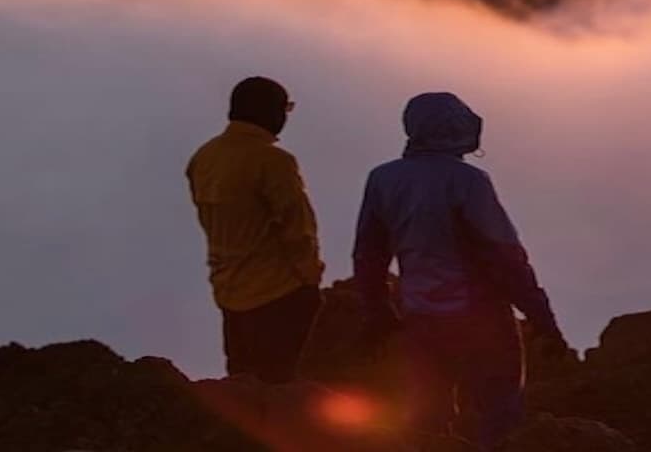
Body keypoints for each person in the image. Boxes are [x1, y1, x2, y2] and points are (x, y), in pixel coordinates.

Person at [352, 92, 566, 448]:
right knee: (500, 416)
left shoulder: (383, 179)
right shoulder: (469, 181)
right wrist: (543, 321)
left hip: (419, 317)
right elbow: (507, 257)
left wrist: (378, 314)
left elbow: (368, 255)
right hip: (481, 319)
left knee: (426, 420)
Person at [186, 76, 325, 383]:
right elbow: (297, 227)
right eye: (284, 110)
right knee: (283, 384)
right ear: (270, 113)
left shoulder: (204, 157)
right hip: (278, 290)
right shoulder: (273, 161)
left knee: (242, 380)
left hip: (227, 288)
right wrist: (310, 278)